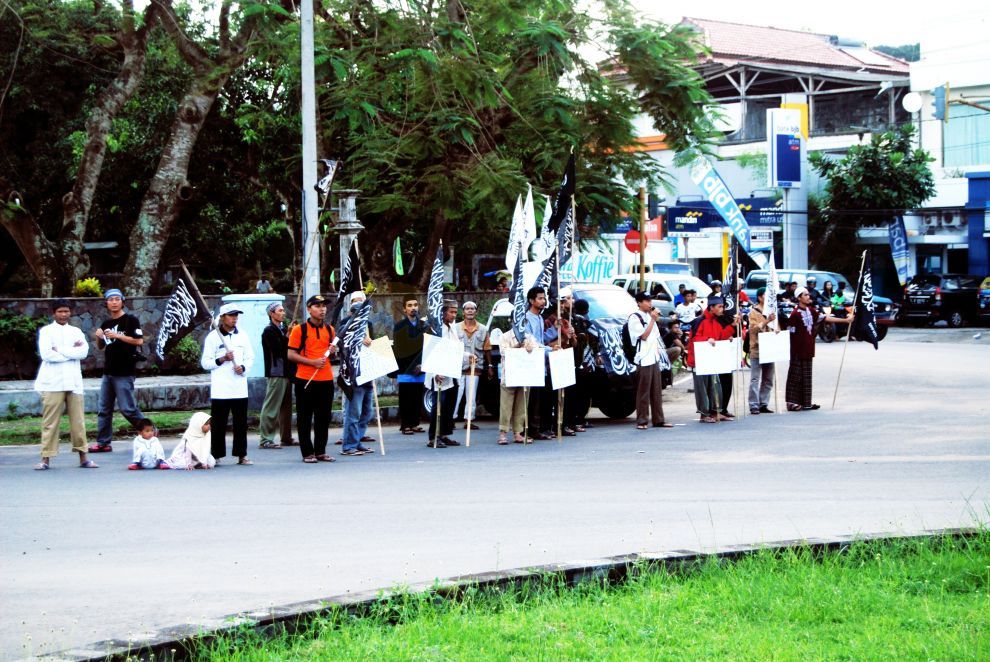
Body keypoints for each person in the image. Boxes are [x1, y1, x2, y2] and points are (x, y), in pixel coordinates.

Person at [33, 299, 97, 470]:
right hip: (52, 383)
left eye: (66, 311)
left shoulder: (76, 331)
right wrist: (71, 351)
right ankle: (45, 459)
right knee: (50, 423)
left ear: (70, 313)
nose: (63, 315)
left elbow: (83, 352)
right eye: (60, 311)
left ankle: (83, 457)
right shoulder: (46, 331)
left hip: (74, 382)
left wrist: (59, 349)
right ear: (54, 313)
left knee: (78, 422)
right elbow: (47, 355)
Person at [89, 288, 146, 454]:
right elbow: (101, 346)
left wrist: (118, 336)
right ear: (106, 303)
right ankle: (103, 443)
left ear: (122, 301)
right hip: (108, 372)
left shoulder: (130, 320)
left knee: (128, 408)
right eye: (110, 299)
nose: (114, 302)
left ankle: (150, 430)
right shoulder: (106, 324)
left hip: (125, 371)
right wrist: (99, 337)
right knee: (104, 410)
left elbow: (138, 340)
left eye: (116, 299)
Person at [200, 302, 255, 465]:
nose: (234, 319)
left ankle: (241, 454)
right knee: (219, 423)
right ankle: (216, 454)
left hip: (239, 387)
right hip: (221, 389)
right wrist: (222, 359)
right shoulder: (213, 337)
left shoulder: (243, 335)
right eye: (231, 315)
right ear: (223, 317)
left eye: (236, 315)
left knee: (240, 423)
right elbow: (205, 363)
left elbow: (250, 357)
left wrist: (243, 367)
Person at [288, 294, 338, 463]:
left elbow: (332, 354)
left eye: (324, 306)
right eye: (317, 306)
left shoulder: (330, 330)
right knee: (304, 417)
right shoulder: (299, 330)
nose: (322, 309)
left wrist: (333, 351)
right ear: (309, 309)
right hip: (305, 379)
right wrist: (312, 362)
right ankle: (307, 452)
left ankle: (320, 451)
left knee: (323, 417)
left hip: (326, 379)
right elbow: (291, 354)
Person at [785, 287, 853, 412]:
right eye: (805, 295)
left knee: (806, 376)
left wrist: (845, 320)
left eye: (808, 294)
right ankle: (791, 402)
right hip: (797, 349)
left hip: (808, 348)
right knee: (795, 376)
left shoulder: (811, 311)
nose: (808, 296)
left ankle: (806, 403)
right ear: (799, 297)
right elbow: (789, 331)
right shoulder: (795, 314)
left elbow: (825, 318)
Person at [686, 297, 736, 423]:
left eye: (722, 306)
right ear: (711, 307)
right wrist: (707, 339)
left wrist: (730, 331)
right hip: (699, 360)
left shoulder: (716, 322)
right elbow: (695, 340)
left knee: (715, 386)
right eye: (719, 306)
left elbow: (719, 336)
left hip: (711, 360)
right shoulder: (699, 321)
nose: (722, 309)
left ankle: (715, 412)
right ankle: (704, 414)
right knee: (702, 388)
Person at [628, 292, 674, 430]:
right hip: (643, 358)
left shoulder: (649, 316)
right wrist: (652, 320)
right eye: (647, 301)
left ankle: (658, 419)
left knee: (656, 390)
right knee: (643, 391)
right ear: (639, 303)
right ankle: (642, 420)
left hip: (654, 357)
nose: (650, 303)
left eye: (650, 301)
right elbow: (643, 336)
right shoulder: (635, 318)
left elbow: (656, 336)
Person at [340, 291, 376, 457]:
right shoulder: (346, 324)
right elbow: (341, 341)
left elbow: (372, 346)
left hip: (367, 372)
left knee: (366, 412)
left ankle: (357, 440)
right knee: (353, 412)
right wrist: (358, 337)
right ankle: (348, 445)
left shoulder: (368, 325)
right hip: (354, 375)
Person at [259, 302, 294, 449]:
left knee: (286, 408)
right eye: (280, 311)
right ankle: (266, 439)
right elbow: (279, 350)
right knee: (271, 407)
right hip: (276, 372)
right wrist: (288, 336)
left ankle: (286, 436)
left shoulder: (282, 329)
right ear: (271, 313)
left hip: (286, 372)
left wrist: (288, 334)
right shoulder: (269, 331)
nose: (283, 313)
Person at [426, 300, 459, 448]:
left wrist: (467, 355)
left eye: (455, 312)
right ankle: (433, 437)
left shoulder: (452, 327)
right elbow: (429, 350)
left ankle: (444, 434)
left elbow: (455, 347)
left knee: (448, 406)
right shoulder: (434, 328)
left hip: (450, 371)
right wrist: (434, 372)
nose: (454, 315)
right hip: (437, 372)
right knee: (438, 405)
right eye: (451, 312)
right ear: (443, 312)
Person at [393, 296, 426, 436]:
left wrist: (421, 365)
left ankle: (414, 423)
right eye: (409, 305)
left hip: (420, 366)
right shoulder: (400, 326)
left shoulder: (423, 325)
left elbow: (426, 346)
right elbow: (400, 349)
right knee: (406, 397)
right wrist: (412, 366)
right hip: (406, 367)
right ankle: (405, 424)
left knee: (418, 396)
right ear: (404, 309)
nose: (413, 308)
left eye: (415, 305)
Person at [524, 287, 554, 440]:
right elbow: (531, 341)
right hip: (530, 362)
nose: (543, 301)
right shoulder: (526, 318)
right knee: (531, 398)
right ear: (531, 300)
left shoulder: (541, 319)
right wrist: (550, 349)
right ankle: (527, 429)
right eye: (540, 298)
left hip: (541, 362)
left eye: (544, 298)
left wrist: (557, 331)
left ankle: (536, 428)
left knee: (539, 398)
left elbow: (541, 339)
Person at [453, 301, 487, 430]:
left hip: (475, 367)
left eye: (473, 309)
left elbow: (486, 348)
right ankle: (451, 418)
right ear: (463, 312)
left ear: (476, 311)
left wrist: (488, 367)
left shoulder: (483, 329)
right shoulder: (455, 328)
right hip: (458, 366)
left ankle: (469, 419)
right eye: (467, 309)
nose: (470, 311)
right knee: (456, 394)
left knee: (471, 395)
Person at [747, 288, 777, 415]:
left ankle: (763, 403)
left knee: (768, 378)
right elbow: (753, 330)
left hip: (770, 348)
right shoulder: (753, 312)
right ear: (759, 297)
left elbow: (777, 327)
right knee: (755, 378)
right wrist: (767, 321)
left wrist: (777, 331)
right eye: (765, 295)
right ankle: (754, 404)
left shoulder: (772, 312)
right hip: (757, 348)